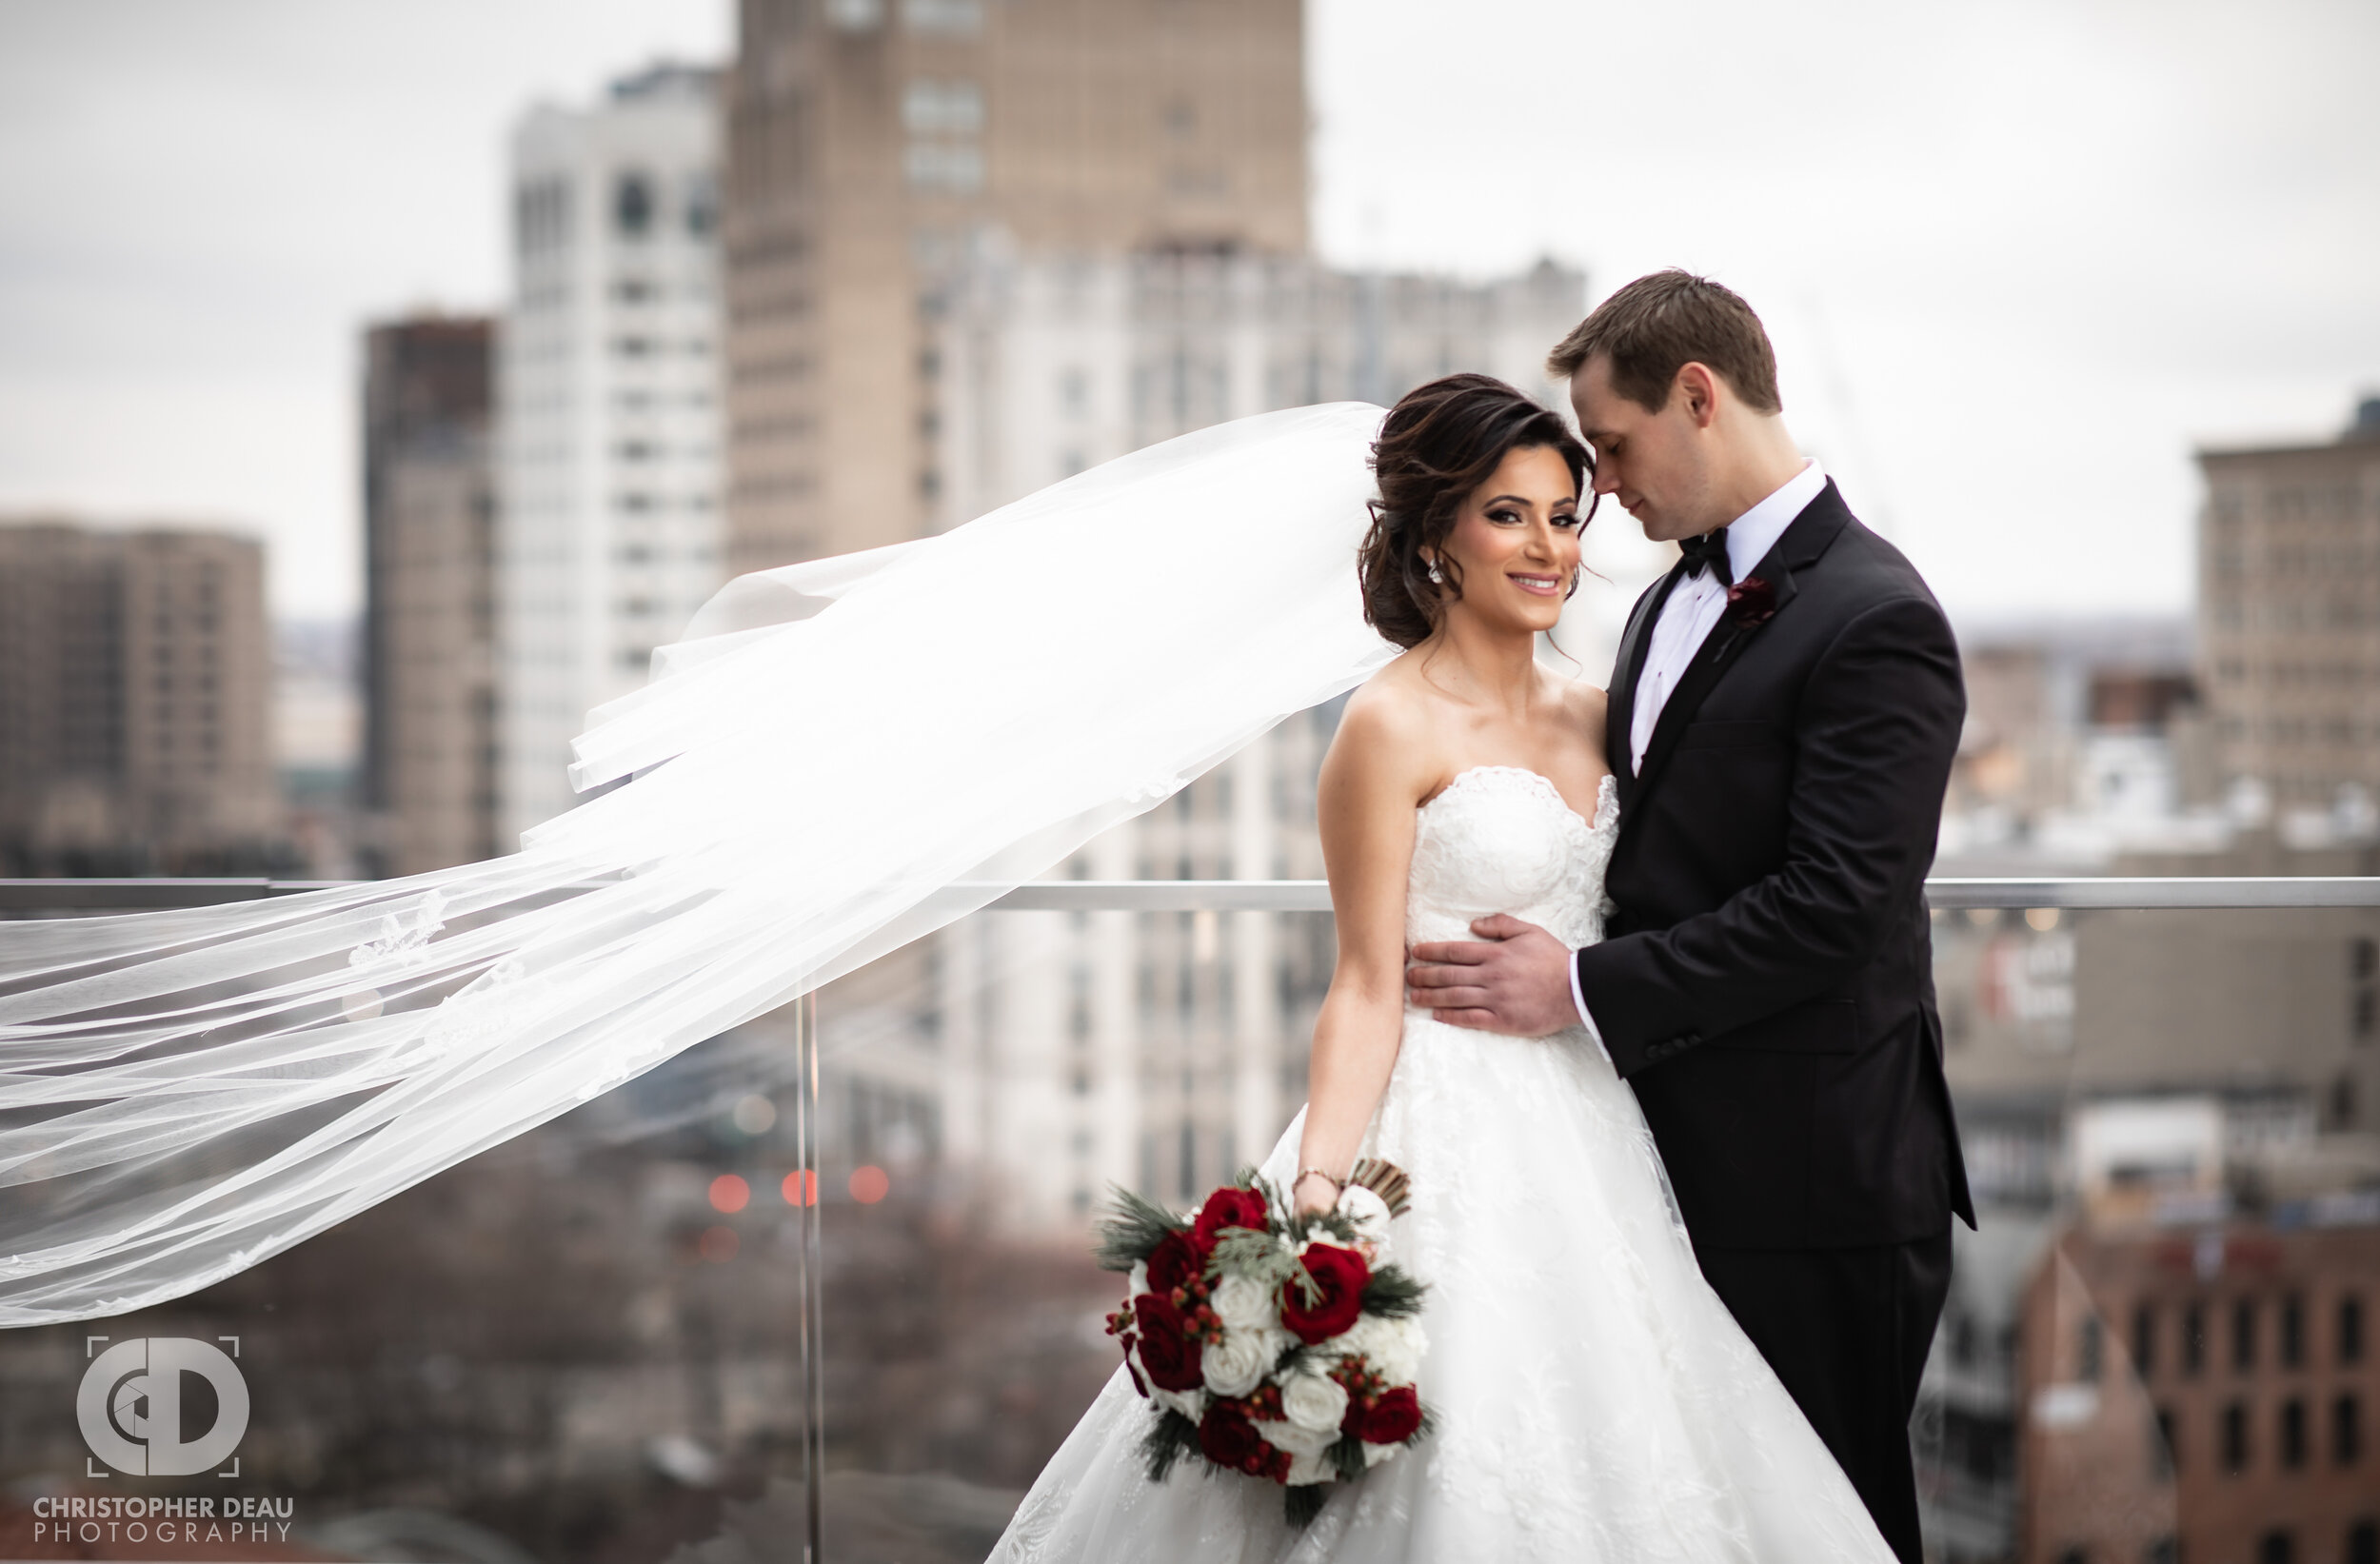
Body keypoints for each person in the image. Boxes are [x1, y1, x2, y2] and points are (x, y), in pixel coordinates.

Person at [986, 372, 1897, 1561]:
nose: (1549, 546)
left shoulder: (1603, 712)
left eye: (1566, 514)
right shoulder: (1387, 726)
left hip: (1601, 1125)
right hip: (1433, 1131)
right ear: (1435, 539)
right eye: (1508, 513)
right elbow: (1365, 981)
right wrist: (1311, 1206)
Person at [1404, 271, 1974, 1563]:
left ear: (1699, 398)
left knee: (1827, 1525)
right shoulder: (1664, 598)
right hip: (1661, 1164)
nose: (1599, 489)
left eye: (1610, 444)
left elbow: (1836, 906)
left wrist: (1584, 988)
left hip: (1820, 1180)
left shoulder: (1879, 617)